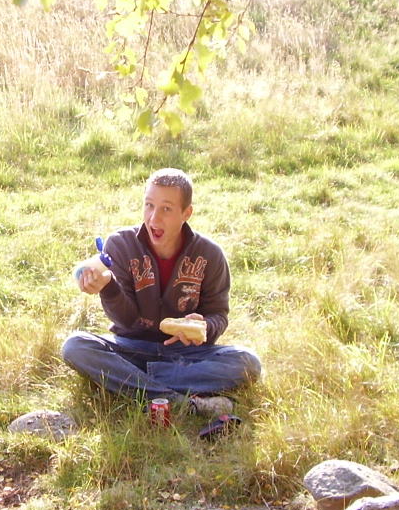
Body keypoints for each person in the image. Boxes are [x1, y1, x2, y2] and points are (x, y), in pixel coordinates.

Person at [61, 168, 261, 421]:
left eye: (166, 209)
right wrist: (109, 287)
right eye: (149, 205)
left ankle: (133, 383)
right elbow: (126, 321)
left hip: (185, 355)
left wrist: (205, 326)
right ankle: (182, 403)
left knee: (248, 362)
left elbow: (218, 315)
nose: (154, 218)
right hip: (130, 348)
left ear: (186, 213)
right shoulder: (120, 245)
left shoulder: (210, 254)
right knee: (76, 346)